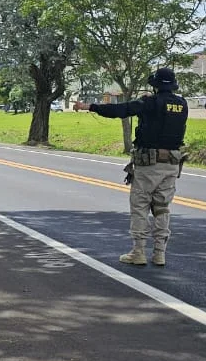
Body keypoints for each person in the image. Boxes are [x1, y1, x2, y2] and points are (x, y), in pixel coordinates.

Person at [73, 67, 188, 267]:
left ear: (155, 85)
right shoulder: (182, 104)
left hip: (148, 165)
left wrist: (89, 106)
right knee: (162, 208)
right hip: (171, 163)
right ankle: (160, 253)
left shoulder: (149, 103)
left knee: (140, 207)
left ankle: (138, 252)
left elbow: (120, 110)